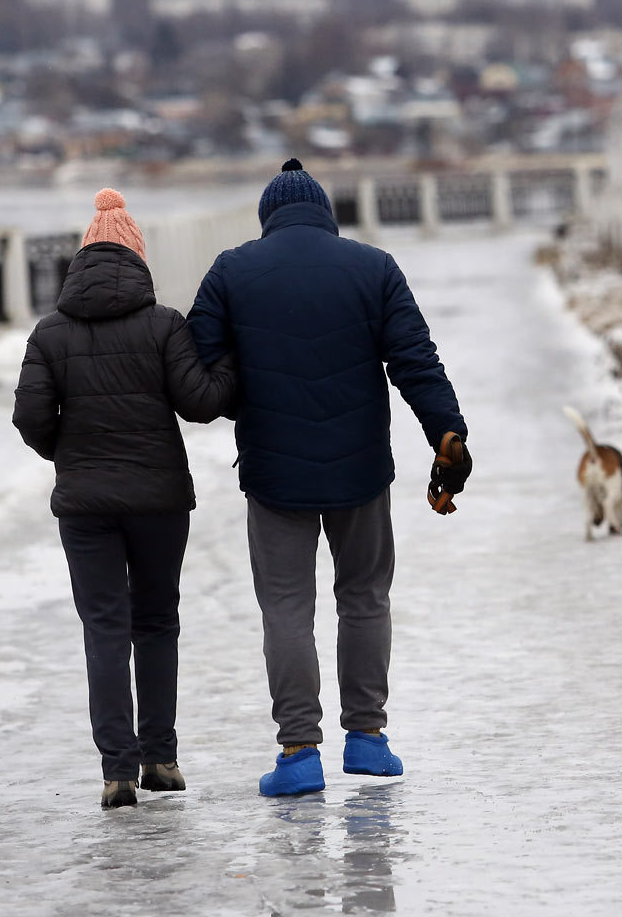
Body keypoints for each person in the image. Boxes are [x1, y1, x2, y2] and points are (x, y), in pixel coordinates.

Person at [186, 158, 472, 796]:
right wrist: (446, 434)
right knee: (365, 596)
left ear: (268, 218)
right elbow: (415, 361)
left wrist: (251, 394)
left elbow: (200, 375)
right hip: (361, 468)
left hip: (273, 470)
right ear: (325, 215)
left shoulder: (231, 271)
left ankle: (298, 750)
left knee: (286, 605)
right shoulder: (374, 268)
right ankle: (367, 740)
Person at [13, 188, 235, 810]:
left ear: (81, 262)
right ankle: (160, 758)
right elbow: (200, 403)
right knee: (157, 620)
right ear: (137, 257)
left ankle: (117, 770)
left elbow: (29, 414)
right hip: (159, 499)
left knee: (104, 628)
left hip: (85, 505)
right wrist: (234, 365)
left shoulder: (49, 333)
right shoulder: (163, 324)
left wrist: (68, 453)